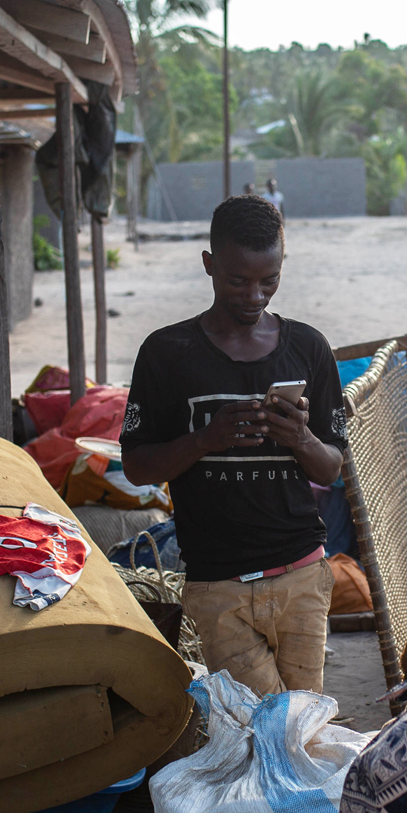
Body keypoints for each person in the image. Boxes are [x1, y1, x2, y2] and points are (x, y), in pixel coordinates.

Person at [121, 195, 346, 696]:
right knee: (265, 728)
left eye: (270, 281)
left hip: (302, 575)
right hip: (217, 586)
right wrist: (206, 438)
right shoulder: (166, 352)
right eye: (238, 280)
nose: (255, 296)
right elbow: (136, 466)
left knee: (301, 725)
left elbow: (331, 469)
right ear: (209, 265)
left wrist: (299, 436)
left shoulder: (308, 348)